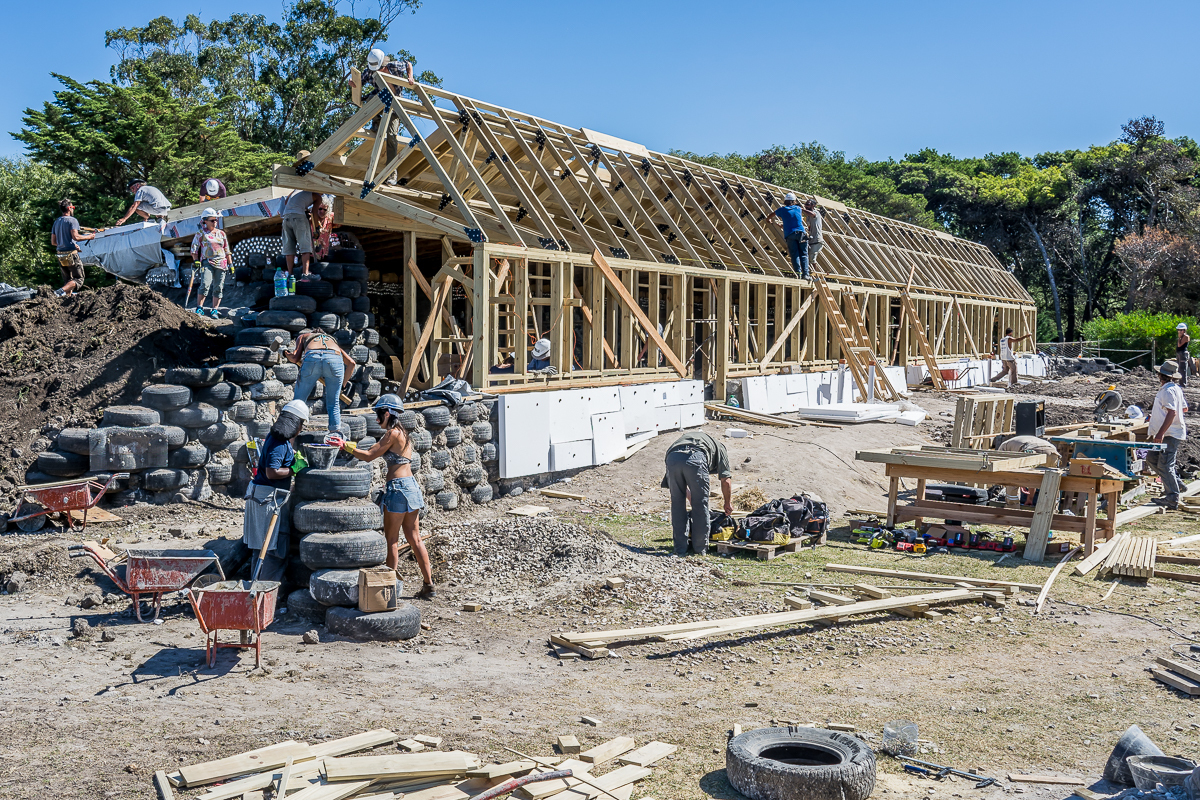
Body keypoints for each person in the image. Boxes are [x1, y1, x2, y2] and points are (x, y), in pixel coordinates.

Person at [336, 394, 436, 599]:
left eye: (378, 414)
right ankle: (429, 585)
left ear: (388, 413)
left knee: (391, 539)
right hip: (411, 488)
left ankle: (388, 590)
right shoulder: (404, 434)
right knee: (415, 538)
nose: (376, 419)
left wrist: (343, 445)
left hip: (398, 489)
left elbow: (369, 455)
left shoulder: (391, 434)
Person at [244, 400, 309, 582]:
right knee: (273, 549)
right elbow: (271, 472)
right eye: (301, 424)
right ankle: (266, 596)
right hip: (268, 501)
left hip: (261, 496)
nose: (302, 428)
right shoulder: (280, 443)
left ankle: (256, 592)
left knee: (262, 548)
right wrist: (293, 469)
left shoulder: (276, 438)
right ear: (295, 423)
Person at [663, 431, 733, 556]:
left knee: (677, 504)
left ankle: (680, 549)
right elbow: (726, 480)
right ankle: (700, 549)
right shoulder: (721, 448)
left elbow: (678, 482)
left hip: (672, 457)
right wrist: (727, 503)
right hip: (695, 457)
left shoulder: (695, 440)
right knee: (700, 506)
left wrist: (690, 496)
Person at [359, 48, 416, 186]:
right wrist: (353, 83)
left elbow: (408, 64)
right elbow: (358, 81)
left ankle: (391, 173)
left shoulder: (393, 67)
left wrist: (410, 77)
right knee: (370, 99)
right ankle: (377, 122)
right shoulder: (370, 72)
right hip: (381, 102)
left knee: (391, 136)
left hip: (395, 106)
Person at [287, 328, 356, 433]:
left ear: (312, 333)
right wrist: (342, 385)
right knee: (333, 403)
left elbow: (294, 358)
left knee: (298, 402)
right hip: (335, 359)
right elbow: (352, 363)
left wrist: (284, 353)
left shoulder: (304, 336)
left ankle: (291, 438)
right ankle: (334, 438)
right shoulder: (332, 341)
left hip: (312, 357)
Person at [1148, 360, 1188, 510]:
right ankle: (1176, 484)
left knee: (1165, 464)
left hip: (1170, 434)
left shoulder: (1168, 391)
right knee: (1151, 459)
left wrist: (1160, 432)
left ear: (1160, 375)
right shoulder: (1174, 388)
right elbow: (1184, 408)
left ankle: (1172, 498)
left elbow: (1173, 412)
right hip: (1169, 432)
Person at [189, 208, 231, 318]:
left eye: (215, 220)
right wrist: (196, 260)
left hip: (221, 263)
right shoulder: (201, 233)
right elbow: (194, 248)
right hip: (207, 262)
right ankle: (199, 308)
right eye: (212, 220)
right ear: (205, 221)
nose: (214, 222)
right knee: (205, 284)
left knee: (218, 287)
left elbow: (226, 249)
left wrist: (230, 264)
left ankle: (214, 310)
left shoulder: (221, 233)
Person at [50, 198, 94, 298]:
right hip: (71, 254)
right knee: (78, 279)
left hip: (60, 254)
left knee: (68, 280)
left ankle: (67, 299)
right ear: (69, 208)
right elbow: (76, 237)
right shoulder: (72, 220)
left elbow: (53, 242)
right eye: (73, 207)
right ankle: (58, 292)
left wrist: (71, 244)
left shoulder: (56, 222)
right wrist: (89, 236)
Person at [768, 193, 808, 279]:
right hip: (801, 233)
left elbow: (771, 214)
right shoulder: (798, 208)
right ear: (794, 201)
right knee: (804, 254)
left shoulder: (782, 210)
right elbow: (794, 218)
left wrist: (768, 219)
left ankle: (798, 274)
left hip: (790, 234)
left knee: (795, 255)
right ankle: (806, 275)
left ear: (785, 201)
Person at [281, 191, 316, 276]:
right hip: (299, 218)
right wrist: (317, 228)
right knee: (305, 247)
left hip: (286, 218)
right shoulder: (317, 196)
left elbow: (286, 202)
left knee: (289, 248)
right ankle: (305, 274)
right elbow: (315, 214)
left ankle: (290, 274)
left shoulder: (296, 189)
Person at [803, 198, 823, 271]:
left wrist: (802, 209)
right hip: (811, 239)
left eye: (808, 205)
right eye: (805, 204)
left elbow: (812, 214)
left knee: (812, 258)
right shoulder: (808, 217)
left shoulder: (816, 213)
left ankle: (814, 273)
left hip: (817, 239)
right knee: (806, 257)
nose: (806, 206)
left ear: (813, 205)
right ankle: (808, 271)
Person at [312, 195, 334, 261]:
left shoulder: (330, 218)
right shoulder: (311, 218)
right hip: (312, 253)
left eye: (325, 209)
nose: (322, 211)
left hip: (324, 253)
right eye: (320, 209)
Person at [1177, 323, 1191, 388]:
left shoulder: (1186, 337)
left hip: (1183, 353)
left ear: (1184, 330)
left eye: (1180, 330)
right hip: (1180, 353)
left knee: (1183, 369)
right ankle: (1180, 383)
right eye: (1178, 330)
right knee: (1180, 368)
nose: (1179, 331)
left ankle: (1183, 384)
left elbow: (1180, 345)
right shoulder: (1181, 337)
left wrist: (1179, 338)